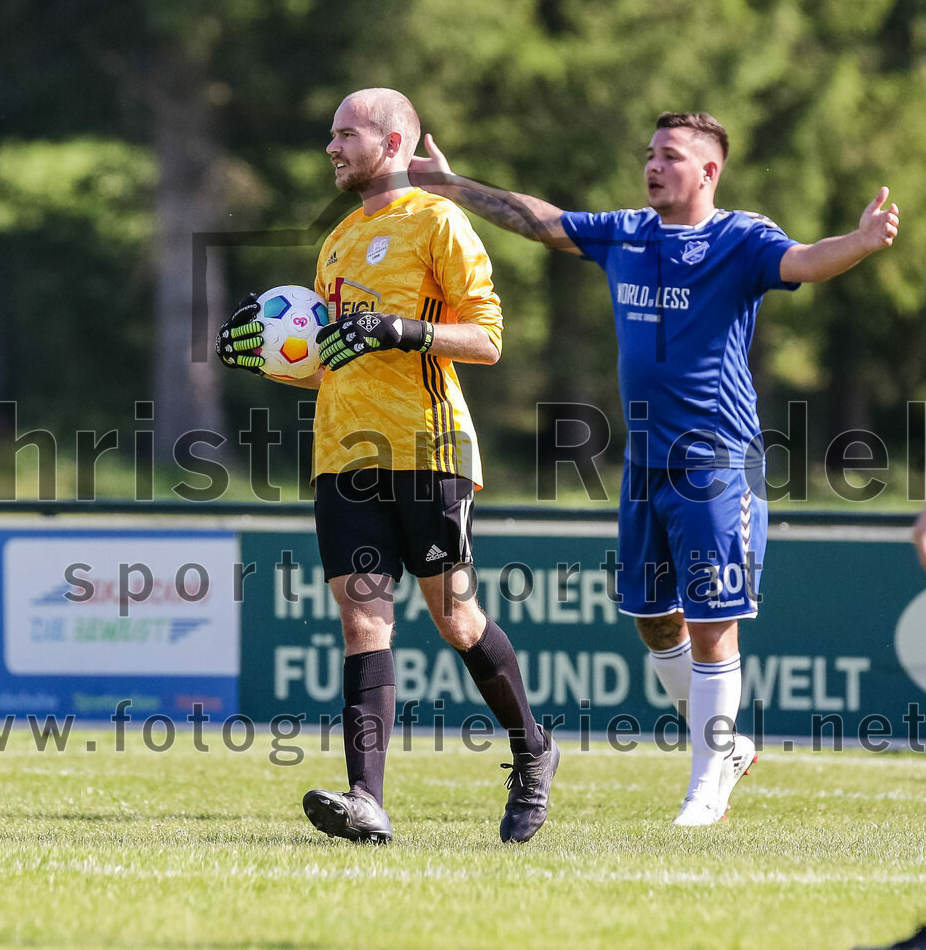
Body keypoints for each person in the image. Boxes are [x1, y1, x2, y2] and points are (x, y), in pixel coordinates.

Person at [408, 112, 899, 826]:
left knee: (711, 624)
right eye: (650, 153)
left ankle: (708, 783)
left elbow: (804, 260)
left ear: (709, 172)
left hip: (716, 464)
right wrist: (453, 187)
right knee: (653, 622)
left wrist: (857, 242)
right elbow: (544, 221)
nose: (655, 165)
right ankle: (722, 744)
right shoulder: (628, 231)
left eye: (671, 155)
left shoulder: (740, 238)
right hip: (644, 465)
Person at [216, 88, 559, 844]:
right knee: (363, 621)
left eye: (346, 134)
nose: (331, 148)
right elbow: (334, 362)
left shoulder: (438, 221)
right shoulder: (336, 239)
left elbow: (489, 339)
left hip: (428, 447)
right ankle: (366, 802)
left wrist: (402, 327)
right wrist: (268, 361)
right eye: (329, 135)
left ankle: (533, 752)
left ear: (395, 139)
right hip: (343, 456)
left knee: (456, 618)